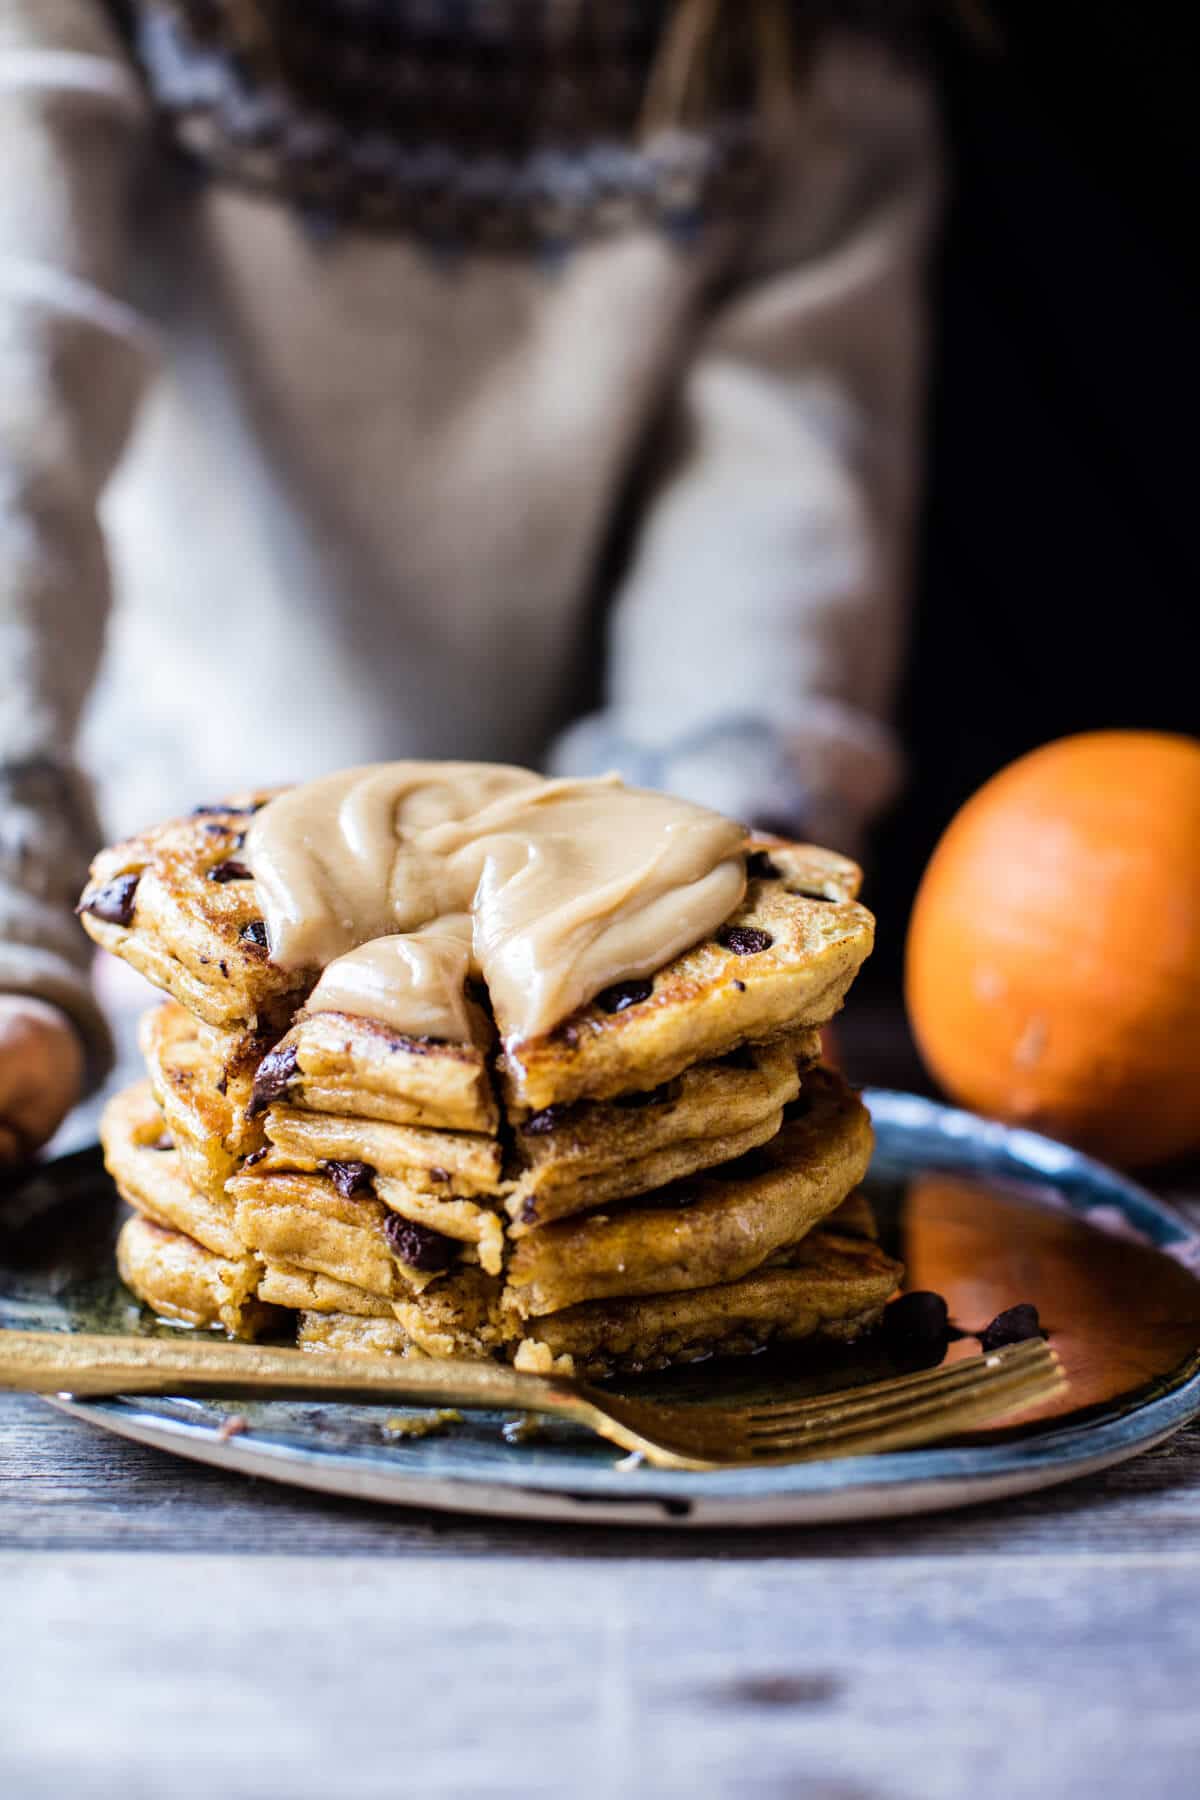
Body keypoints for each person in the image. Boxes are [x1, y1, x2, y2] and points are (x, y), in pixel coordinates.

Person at [0, 0, 940, 1162]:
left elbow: (769, 536)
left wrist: (699, 953)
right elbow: (17, 392)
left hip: (591, 902)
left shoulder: (811, 47)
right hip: (170, 935)